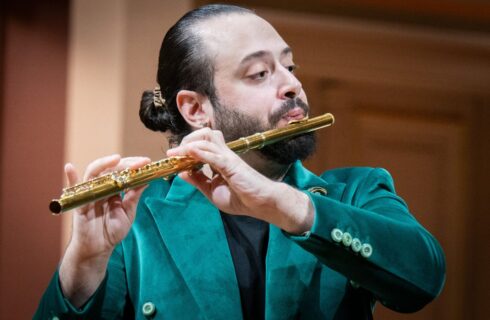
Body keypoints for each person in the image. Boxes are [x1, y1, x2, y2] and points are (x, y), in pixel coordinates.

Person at [35, 4, 445, 319]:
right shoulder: (138, 220)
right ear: (196, 109)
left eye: (288, 66)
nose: (292, 84)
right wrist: (82, 266)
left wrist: (285, 205)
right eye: (260, 74)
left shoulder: (355, 192)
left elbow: (424, 277)